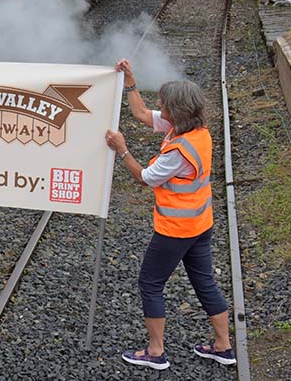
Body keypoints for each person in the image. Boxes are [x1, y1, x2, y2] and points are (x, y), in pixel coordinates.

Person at [104, 59, 234, 371]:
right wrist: (131, 81)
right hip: (201, 223)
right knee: (205, 283)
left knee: (150, 283)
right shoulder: (196, 130)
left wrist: (122, 149)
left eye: (163, 104)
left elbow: (145, 177)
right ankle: (223, 346)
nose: (159, 107)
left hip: (177, 229)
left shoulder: (178, 151)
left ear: (176, 112)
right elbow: (140, 113)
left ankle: (155, 352)